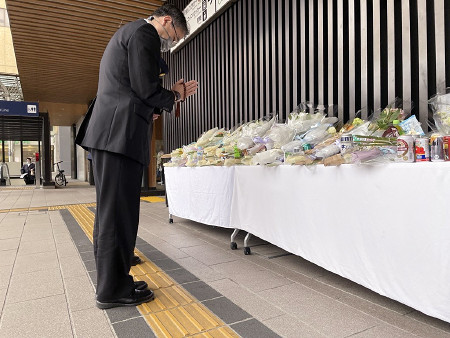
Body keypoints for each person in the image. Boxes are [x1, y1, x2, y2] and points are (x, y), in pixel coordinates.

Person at [75, 4, 198, 309]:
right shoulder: (145, 34)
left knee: (111, 211)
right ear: (167, 21)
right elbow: (145, 88)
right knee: (118, 214)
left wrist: (155, 105)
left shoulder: (128, 32)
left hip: (112, 133)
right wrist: (176, 95)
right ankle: (112, 290)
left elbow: (133, 88)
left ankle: (115, 278)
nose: (170, 43)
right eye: (173, 36)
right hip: (120, 135)